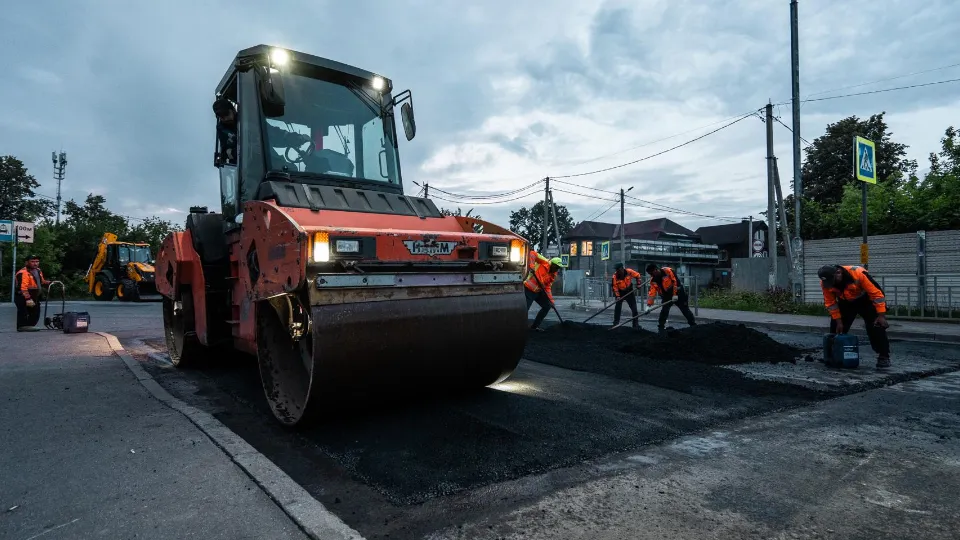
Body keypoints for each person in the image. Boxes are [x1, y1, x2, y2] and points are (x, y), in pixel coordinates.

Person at [817, 264, 891, 369]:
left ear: (838, 273)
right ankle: (832, 355)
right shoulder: (826, 282)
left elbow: (877, 295)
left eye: (833, 281)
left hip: (866, 301)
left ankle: (884, 356)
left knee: (876, 326)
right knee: (836, 328)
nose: (832, 284)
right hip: (846, 302)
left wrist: (881, 316)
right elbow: (831, 303)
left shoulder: (858, 274)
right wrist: (839, 321)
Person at [645, 263, 696, 333]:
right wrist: (648, 305)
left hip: (679, 293)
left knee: (685, 309)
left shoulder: (668, 271)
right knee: (664, 311)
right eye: (650, 274)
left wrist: (675, 294)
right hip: (666, 296)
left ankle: (693, 325)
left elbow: (675, 282)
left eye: (651, 273)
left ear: (656, 270)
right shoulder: (653, 280)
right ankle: (661, 327)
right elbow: (652, 293)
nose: (651, 275)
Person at [524, 250, 565, 331]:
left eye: (558, 268)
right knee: (524, 309)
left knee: (547, 306)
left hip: (538, 291)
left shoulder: (553, 275)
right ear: (552, 264)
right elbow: (532, 253)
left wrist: (551, 301)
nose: (557, 269)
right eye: (556, 267)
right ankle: (518, 326)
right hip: (528, 289)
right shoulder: (544, 262)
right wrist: (531, 265)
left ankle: (534, 327)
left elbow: (547, 287)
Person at [15, 255, 50, 331]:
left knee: (35, 312)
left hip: (34, 295)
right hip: (23, 296)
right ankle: (22, 326)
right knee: (23, 312)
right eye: (32, 261)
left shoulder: (38, 270)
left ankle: (29, 326)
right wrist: (28, 299)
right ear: (26, 262)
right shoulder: (23, 273)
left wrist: (49, 282)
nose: (35, 263)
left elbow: (41, 281)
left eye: (37, 261)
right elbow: (23, 288)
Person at [611, 262, 641, 329]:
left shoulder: (629, 271)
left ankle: (635, 325)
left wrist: (638, 284)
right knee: (617, 308)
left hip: (629, 291)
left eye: (618, 269)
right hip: (620, 292)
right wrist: (618, 296)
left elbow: (638, 275)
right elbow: (614, 287)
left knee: (634, 308)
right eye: (616, 270)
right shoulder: (615, 276)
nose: (617, 271)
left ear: (622, 268)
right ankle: (615, 323)